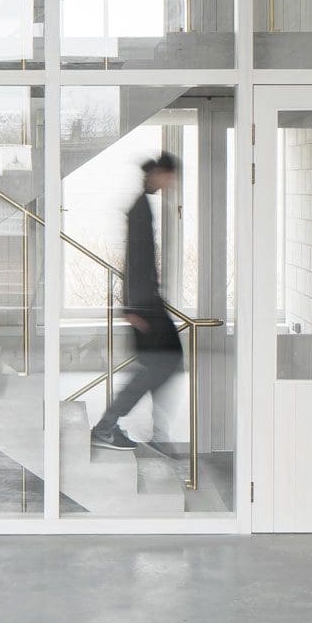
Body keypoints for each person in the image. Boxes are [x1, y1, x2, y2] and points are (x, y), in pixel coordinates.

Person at [90, 152, 181, 451]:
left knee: (160, 364)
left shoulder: (143, 205)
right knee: (157, 366)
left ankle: (148, 431)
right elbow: (134, 260)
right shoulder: (140, 208)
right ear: (159, 174)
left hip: (147, 302)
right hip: (143, 305)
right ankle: (107, 427)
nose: (171, 183)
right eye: (169, 177)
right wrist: (131, 308)